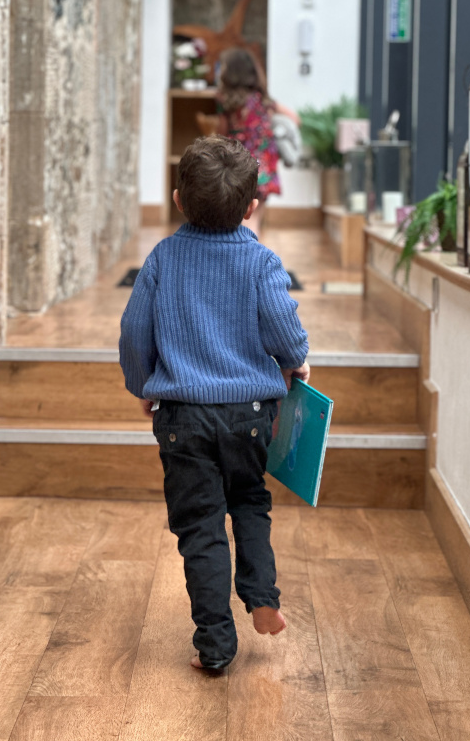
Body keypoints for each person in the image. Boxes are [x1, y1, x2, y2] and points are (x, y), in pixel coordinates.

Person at [119, 135, 310, 671]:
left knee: (200, 524)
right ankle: (264, 599)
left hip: (182, 419)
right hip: (251, 415)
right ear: (252, 208)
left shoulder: (161, 259)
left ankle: (215, 641)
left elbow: (134, 332)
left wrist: (144, 385)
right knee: (250, 503)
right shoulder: (262, 261)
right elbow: (284, 329)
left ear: (178, 199)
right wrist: (296, 362)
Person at [216, 47, 300, 236]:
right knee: (255, 217)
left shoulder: (226, 100)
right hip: (264, 167)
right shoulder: (264, 100)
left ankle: (243, 258)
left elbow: (221, 135)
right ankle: (252, 257)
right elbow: (295, 119)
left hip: (237, 166)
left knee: (238, 217)